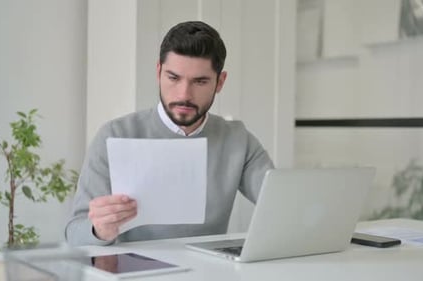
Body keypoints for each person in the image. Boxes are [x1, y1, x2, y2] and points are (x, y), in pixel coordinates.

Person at [65, 21, 274, 246]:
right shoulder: (114, 135)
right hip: (134, 271)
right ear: (159, 72)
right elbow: (74, 234)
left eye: (200, 81)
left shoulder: (238, 139)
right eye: (173, 78)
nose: (184, 94)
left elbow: (280, 204)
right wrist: (98, 230)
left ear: (220, 82)